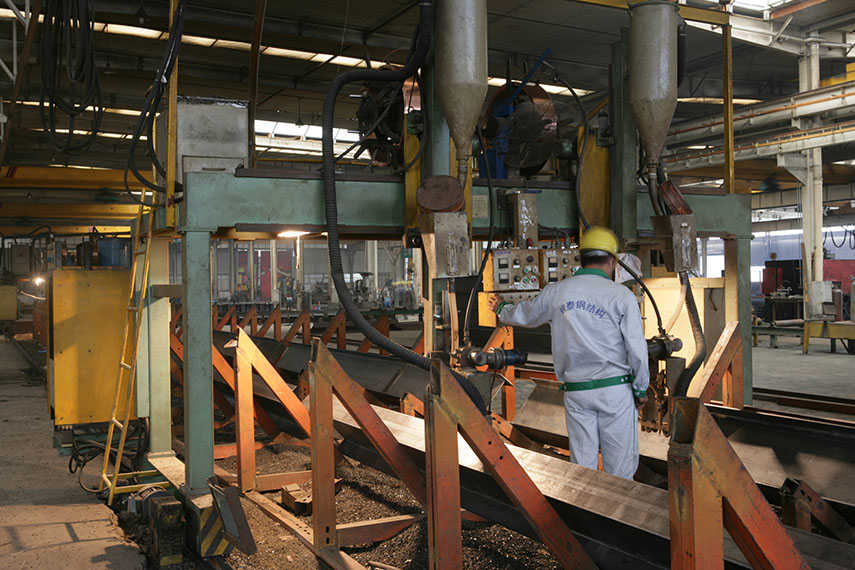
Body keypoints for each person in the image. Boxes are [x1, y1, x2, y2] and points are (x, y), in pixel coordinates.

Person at [487, 226, 649, 479]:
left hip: (577, 392)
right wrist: (640, 389)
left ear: (580, 259)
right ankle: (616, 505)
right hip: (615, 392)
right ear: (612, 261)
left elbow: (526, 314)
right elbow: (637, 350)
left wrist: (501, 308)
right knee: (620, 471)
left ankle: (581, 504)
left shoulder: (557, 292)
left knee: (582, 468)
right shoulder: (622, 296)